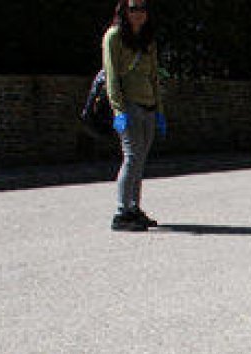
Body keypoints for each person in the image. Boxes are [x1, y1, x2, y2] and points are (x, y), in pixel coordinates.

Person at [103, 0, 165, 232]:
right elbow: (111, 75)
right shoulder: (114, 36)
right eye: (133, 8)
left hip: (148, 105)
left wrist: (160, 110)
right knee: (131, 157)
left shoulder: (148, 39)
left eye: (142, 8)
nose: (138, 13)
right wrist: (118, 110)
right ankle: (121, 212)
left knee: (140, 160)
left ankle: (133, 207)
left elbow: (154, 77)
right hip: (129, 105)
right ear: (124, 11)